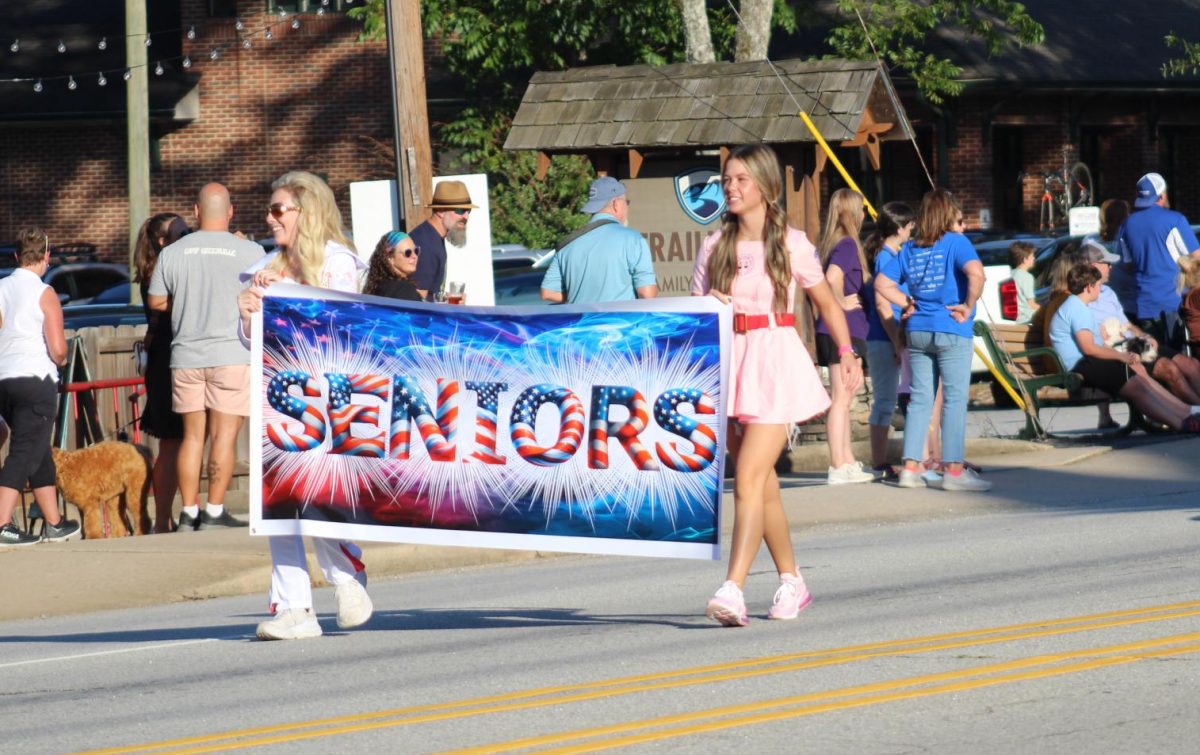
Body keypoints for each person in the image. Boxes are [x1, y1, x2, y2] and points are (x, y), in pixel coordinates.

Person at [691, 144, 862, 627]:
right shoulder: (713, 245)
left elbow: (827, 303)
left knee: (745, 477)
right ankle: (792, 580)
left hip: (775, 359)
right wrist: (712, 303)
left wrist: (846, 355)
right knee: (761, 486)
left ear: (764, 186)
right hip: (731, 363)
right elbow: (694, 313)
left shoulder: (792, 242)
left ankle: (733, 587)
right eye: (727, 179)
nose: (730, 187)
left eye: (741, 179)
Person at [237, 170, 373, 641]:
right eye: (270, 209)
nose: (270, 217)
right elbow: (255, 343)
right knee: (278, 503)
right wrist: (248, 311)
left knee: (317, 496)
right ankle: (294, 608)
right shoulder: (267, 264)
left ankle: (345, 573)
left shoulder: (339, 261)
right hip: (279, 400)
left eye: (279, 209)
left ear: (306, 212)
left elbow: (340, 321)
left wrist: (282, 297)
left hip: (328, 402)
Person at [148, 184, 263, 533]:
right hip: (231, 352)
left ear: (196, 212)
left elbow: (155, 302)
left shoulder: (173, 252)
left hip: (185, 355)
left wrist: (185, 303)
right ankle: (214, 510)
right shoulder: (251, 251)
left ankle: (188, 512)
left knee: (191, 437)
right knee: (224, 437)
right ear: (231, 212)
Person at [875, 189, 990, 492]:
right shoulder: (956, 242)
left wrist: (906, 302)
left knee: (920, 399)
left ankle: (911, 468)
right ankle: (953, 471)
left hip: (918, 329)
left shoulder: (910, 248)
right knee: (953, 400)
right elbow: (977, 273)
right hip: (951, 327)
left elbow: (882, 283)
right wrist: (968, 303)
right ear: (949, 215)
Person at [1049, 263, 1200, 433]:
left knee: (1139, 374)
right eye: (1098, 286)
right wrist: (1121, 356)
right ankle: (1181, 422)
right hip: (1082, 365)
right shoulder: (1077, 309)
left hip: (1089, 362)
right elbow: (1089, 348)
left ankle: (1188, 412)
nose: (1100, 289)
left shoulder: (1076, 306)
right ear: (1089, 287)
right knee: (1137, 387)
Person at [0, 227, 80, 546]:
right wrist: (58, 360)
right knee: (23, 452)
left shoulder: (1, 288)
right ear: (46, 256)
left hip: (4, 378)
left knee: (36, 448)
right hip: (35, 378)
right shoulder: (44, 292)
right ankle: (3, 523)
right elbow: (59, 348)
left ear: (17, 256)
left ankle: (54, 522)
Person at [1084, 237, 1200, 405]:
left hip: (1135, 342)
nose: (1111, 267)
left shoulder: (1108, 292)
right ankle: (1195, 411)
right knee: (1169, 368)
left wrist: (1145, 336)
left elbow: (1128, 324)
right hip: (1118, 349)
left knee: (1191, 364)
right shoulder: (1082, 297)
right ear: (1093, 266)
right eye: (1106, 263)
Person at [133, 212, 193, 532]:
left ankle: (170, 517)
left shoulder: (162, 267)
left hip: (165, 360)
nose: (189, 236)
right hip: (168, 361)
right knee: (174, 442)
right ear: (162, 240)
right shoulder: (160, 271)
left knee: (181, 442)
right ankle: (165, 519)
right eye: (182, 232)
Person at [815, 188, 873, 485]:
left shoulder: (832, 243)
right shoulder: (847, 243)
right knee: (841, 398)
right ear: (852, 212)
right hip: (842, 331)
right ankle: (838, 465)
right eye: (862, 208)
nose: (865, 214)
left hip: (838, 330)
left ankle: (847, 460)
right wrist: (840, 301)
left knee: (845, 396)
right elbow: (830, 279)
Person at [539, 176, 658, 304]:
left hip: (583, 322)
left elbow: (548, 292)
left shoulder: (567, 245)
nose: (627, 207)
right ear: (616, 204)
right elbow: (647, 294)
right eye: (626, 202)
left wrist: (581, 297)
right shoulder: (633, 239)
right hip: (621, 322)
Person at [1116, 172, 1200, 350]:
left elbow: (1128, 265)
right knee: (1179, 359)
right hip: (1174, 302)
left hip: (1144, 304)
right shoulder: (1175, 220)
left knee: (1155, 359)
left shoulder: (1127, 224)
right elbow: (1197, 256)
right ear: (1162, 195)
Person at [863, 201, 915, 483]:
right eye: (909, 226)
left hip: (891, 336)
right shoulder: (886, 258)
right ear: (898, 228)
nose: (912, 231)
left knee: (888, 400)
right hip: (884, 338)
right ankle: (878, 462)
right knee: (884, 401)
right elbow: (884, 308)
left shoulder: (894, 253)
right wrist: (897, 342)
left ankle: (883, 461)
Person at [410, 180, 477, 300]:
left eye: (468, 211)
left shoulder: (433, 238)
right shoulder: (426, 246)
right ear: (440, 211)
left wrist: (446, 299)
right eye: (460, 210)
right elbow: (417, 302)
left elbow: (428, 293)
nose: (466, 217)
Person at [1099, 198, 1135, 319]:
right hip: (1130, 305)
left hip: (1102, 306)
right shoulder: (1127, 237)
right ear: (1124, 216)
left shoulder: (1090, 242)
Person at [363, 231, 423, 301]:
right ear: (390, 258)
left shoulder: (378, 286)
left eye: (416, 251)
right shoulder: (404, 289)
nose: (414, 256)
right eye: (408, 253)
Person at [1008, 241, 1039, 324]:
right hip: (1026, 319)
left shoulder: (1010, 274)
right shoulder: (1027, 277)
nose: (1034, 259)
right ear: (1025, 260)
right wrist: (1047, 310)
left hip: (1014, 319)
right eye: (1032, 256)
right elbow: (1031, 304)